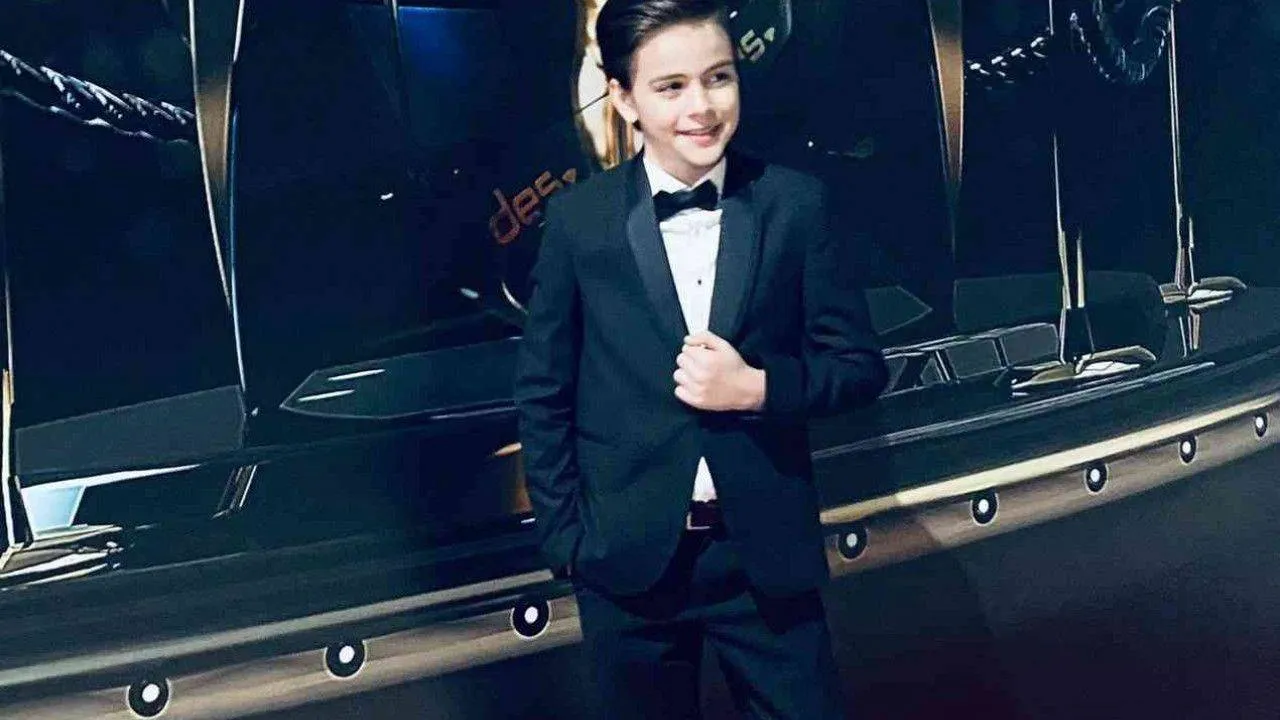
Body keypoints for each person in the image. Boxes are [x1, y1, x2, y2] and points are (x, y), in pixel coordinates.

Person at [514, 1, 888, 717]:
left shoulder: (795, 205)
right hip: (626, 566)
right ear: (624, 98)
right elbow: (542, 392)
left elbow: (859, 367)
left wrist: (758, 388)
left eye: (719, 77)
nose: (702, 107)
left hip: (764, 559)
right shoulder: (579, 222)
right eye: (671, 86)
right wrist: (569, 544)